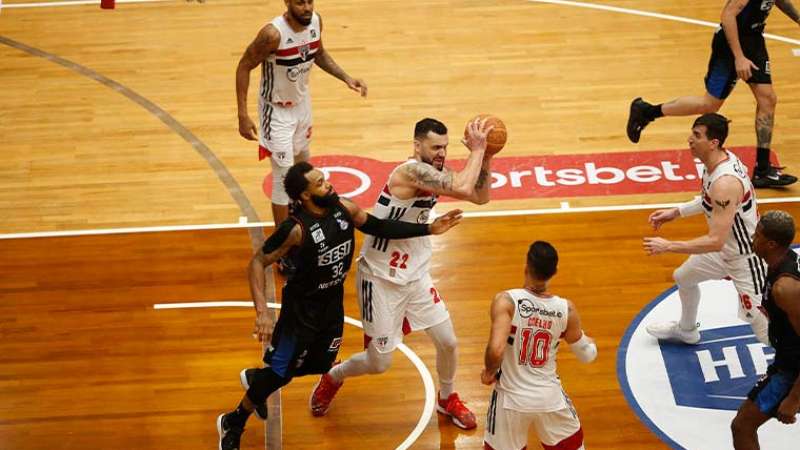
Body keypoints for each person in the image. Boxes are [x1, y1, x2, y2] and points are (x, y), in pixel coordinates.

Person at [216, 161, 463, 450]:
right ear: (305, 196)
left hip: (332, 306)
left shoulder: (344, 208)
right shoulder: (295, 230)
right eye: (319, 183)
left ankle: (258, 379)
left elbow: (378, 226)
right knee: (280, 373)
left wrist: (428, 229)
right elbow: (258, 262)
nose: (328, 184)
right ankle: (233, 421)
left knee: (319, 364)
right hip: (301, 312)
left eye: (325, 179)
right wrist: (263, 314)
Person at [308, 117, 495, 430]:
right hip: (379, 278)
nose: (441, 153)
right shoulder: (409, 171)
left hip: (415, 274)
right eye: (435, 147)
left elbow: (481, 196)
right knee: (379, 362)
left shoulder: (434, 174)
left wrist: (486, 156)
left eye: (445, 148)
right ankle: (333, 376)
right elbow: (463, 185)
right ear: (417, 145)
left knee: (448, 341)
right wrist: (477, 149)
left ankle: (447, 398)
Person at [626, 0, 800, 188]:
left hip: (753, 39)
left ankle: (763, 169)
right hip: (729, 45)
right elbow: (727, 16)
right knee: (709, 105)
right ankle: (647, 112)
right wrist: (739, 57)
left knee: (768, 99)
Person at [236, 0, 368, 225]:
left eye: (310, 1)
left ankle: (304, 222)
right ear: (287, 2)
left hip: (302, 104)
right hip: (276, 111)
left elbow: (319, 53)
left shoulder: (316, 21)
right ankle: (282, 241)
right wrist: (243, 115)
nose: (306, 8)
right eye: (299, 3)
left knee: (303, 166)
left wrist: (346, 77)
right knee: (283, 178)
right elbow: (244, 66)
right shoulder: (272, 34)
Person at [643, 113, 769, 345]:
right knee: (683, 277)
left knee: (763, 329)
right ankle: (687, 329)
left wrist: (669, 245)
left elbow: (714, 241)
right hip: (724, 251)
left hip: (746, 259)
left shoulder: (725, 182)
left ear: (714, 143)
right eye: (692, 133)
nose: (690, 139)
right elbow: (709, 199)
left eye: (697, 135)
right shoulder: (716, 161)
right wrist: (677, 211)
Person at [481, 241, 596, 450]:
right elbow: (587, 356)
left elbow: (496, 350)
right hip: (550, 399)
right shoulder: (566, 309)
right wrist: (588, 342)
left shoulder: (506, 301)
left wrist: (489, 371)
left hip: (510, 401)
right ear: (555, 272)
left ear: (526, 266)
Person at [731, 210, 800, 449]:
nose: (752, 238)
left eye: (757, 235)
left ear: (771, 243)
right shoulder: (780, 263)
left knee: (743, 426)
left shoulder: (785, 288)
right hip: (787, 361)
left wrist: (793, 398)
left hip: (792, 370)